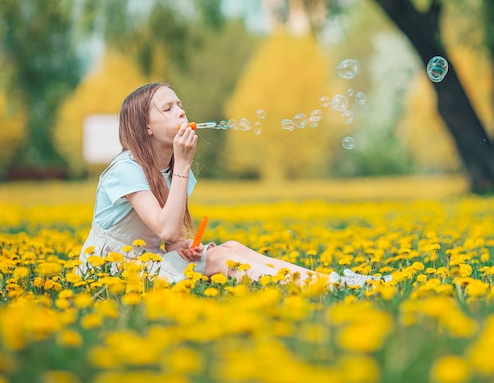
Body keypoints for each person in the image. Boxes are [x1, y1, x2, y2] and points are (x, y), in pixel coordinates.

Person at [78, 82, 391, 288]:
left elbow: (173, 242)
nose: (182, 111)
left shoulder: (173, 169)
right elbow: (165, 231)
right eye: (168, 108)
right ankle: (315, 286)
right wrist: (184, 164)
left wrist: (187, 250)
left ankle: (334, 281)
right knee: (219, 260)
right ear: (145, 126)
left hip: (146, 260)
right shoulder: (127, 168)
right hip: (111, 269)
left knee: (232, 248)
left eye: (180, 104)